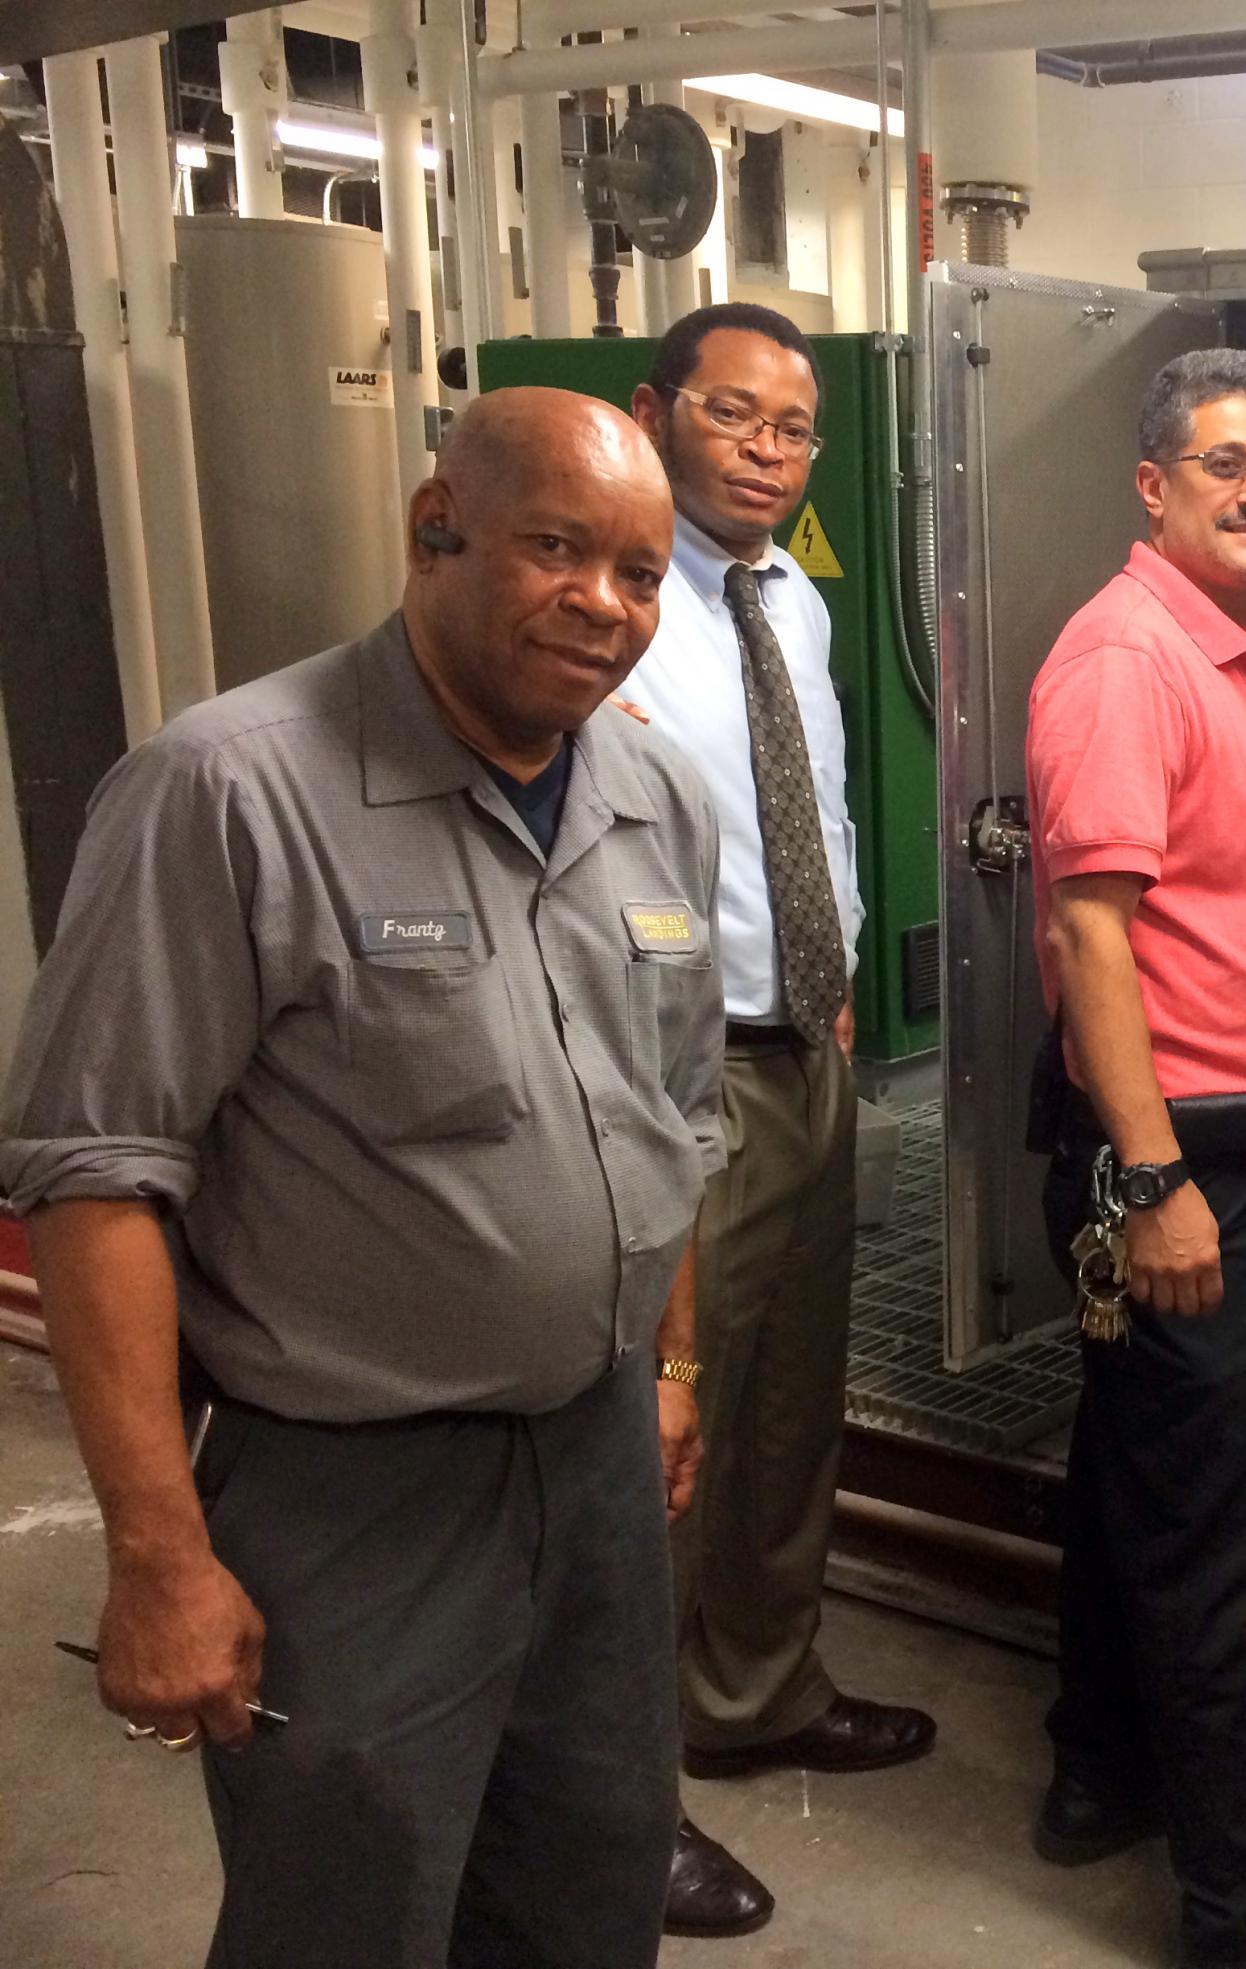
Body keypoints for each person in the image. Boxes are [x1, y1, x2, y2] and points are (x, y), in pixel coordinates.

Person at [0, 388, 724, 1967]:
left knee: (590, 1881)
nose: (605, 608)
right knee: (350, 1910)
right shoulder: (230, 792)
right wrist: (158, 1552)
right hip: (352, 1493)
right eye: (558, 548)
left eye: (643, 574)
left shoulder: (654, 800)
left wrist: (667, 1361)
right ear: (434, 525)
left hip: (594, 1469)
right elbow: (95, 1177)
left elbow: (675, 1118)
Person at [1024, 348, 1246, 1969]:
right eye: (1225, 463)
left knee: (1133, 1476)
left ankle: (1099, 1769)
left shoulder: (1230, 660)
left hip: (1230, 1123)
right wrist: (1156, 1179)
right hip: (1165, 1157)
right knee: (1202, 1538)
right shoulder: (1125, 662)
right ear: (1153, 487)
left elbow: (1214, 923)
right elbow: (1093, 936)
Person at [618, 302, 934, 1939]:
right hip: (671, 1067)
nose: (766, 448)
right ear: (656, 410)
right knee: (665, 1430)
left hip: (801, 1047)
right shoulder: (612, 596)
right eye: (734, 416)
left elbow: (807, 805)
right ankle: (620, 1792)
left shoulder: (791, 596)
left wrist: (838, 973)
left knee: (792, 1397)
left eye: (794, 426)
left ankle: (755, 1691)